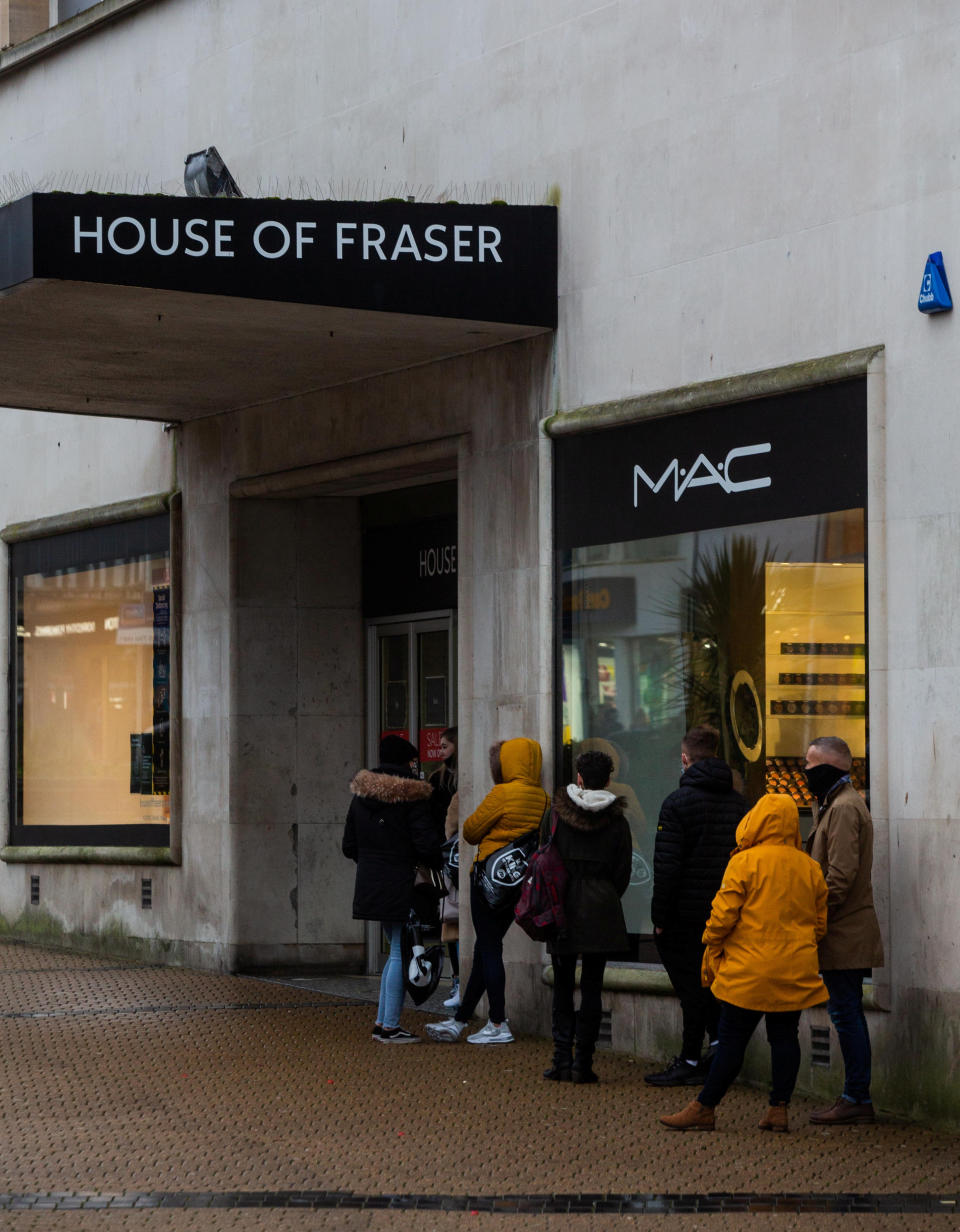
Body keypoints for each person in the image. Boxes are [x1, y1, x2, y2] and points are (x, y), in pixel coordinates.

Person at [660, 794, 828, 1132]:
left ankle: (705, 1106)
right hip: (794, 968)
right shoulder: (809, 866)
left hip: (749, 969)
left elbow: (723, 916)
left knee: (732, 1037)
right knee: (784, 1037)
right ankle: (778, 1109)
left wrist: (711, 942)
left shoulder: (745, 862)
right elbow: (820, 923)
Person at [425, 737, 547, 1045]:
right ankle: (460, 1020)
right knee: (484, 949)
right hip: (516, 883)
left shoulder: (502, 793)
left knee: (489, 949)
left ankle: (497, 1021)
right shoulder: (543, 797)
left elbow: (471, 831)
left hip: (488, 881)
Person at [646, 725, 746, 1086]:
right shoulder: (738, 802)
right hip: (725, 912)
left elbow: (668, 866)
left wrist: (660, 917)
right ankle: (718, 1047)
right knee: (714, 985)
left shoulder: (677, 803)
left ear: (685, 759)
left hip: (684, 915)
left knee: (691, 988)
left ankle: (690, 1059)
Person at [803, 736, 884, 1125]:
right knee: (845, 1011)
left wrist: (813, 915)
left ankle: (856, 1097)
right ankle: (855, 1095)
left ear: (831, 767)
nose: (804, 771)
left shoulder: (845, 808)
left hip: (844, 931)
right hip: (840, 929)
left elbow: (840, 876)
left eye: (810, 764)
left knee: (846, 1013)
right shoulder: (835, 804)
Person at [342, 734, 439, 1043]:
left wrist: (373, 862)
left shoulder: (361, 795)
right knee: (401, 951)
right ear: (404, 762)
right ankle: (390, 1026)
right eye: (412, 761)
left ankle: (383, 1022)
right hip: (401, 879)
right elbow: (427, 843)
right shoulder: (411, 795)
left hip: (372, 880)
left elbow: (348, 845)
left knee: (395, 951)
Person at [543, 749, 632, 1084]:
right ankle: (584, 1063)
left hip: (561, 904)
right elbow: (623, 870)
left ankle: (561, 1060)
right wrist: (606, 894)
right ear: (609, 780)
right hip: (602, 905)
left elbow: (544, 858)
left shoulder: (557, 814)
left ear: (579, 778)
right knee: (593, 985)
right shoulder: (617, 820)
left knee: (563, 984)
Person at [429, 728, 460, 1007]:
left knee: (456, 918)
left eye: (445, 745)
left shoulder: (464, 780)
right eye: (439, 745)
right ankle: (457, 980)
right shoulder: (437, 780)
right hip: (445, 857)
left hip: (458, 856)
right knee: (449, 918)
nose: (440, 750)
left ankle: (461, 980)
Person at [440, 789, 461, 1009]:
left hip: (460, 872)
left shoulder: (460, 795)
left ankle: (458, 982)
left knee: (456, 927)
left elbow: (450, 829)